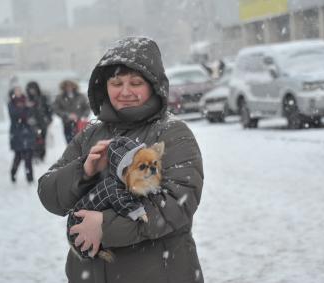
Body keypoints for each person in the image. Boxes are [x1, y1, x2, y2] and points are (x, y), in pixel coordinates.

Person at [38, 36, 204, 283]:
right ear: (104, 86)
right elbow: (49, 194)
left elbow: (176, 204)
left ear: (153, 85)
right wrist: (83, 172)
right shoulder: (90, 135)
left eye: (136, 83)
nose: (125, 92)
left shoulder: (172, 133)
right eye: (116, 83)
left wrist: (105, 226)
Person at [8, 86, 36, 183]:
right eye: (16, 91)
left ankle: (30, 178)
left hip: (28, 132)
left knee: (29, 156)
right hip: (17, 133)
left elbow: (31, 114)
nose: (19, 92)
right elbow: (15, 115)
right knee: (18, 156)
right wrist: (26, 107)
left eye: (20, 90)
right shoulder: (11, 103)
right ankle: (13, 173)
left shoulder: (26, 101)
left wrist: (27, 108)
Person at [53, 80, 90, 144]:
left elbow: (87, 107)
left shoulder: (81, 96)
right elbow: (56, 109)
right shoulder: (60, 97)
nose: (69, 88)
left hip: (80, 122)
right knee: (69, 141)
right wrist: (67, 115)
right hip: (67, 123)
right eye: (67, 86)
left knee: (81, 140)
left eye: (70, 86)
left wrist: (83, 116)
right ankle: (72, 153)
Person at [26, 81, 53, 161]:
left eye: (33, 88)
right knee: (34, 139)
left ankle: (41, 155)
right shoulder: (27, 99)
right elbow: (25, 112)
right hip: (32, 123)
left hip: (43, 122)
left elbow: (49, 109)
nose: (32, 91)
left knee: (43, 139)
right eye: (30, 89)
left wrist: (49, 119)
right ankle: (35, 155)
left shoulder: (43, 97)